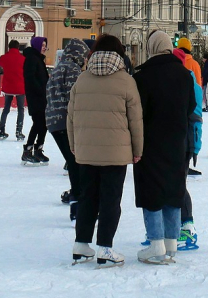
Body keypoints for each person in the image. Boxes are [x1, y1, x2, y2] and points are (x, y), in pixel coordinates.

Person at [67, 35, 143, 267]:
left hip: (86, 151)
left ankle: (81, 244)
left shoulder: (82, 79)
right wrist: (137, 149)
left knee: (87, 197)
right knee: (111, 200)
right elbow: (135, 119)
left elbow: (71, 117)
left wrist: (75, 146)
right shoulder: (126, 81)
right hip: (116, 152)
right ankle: (105, 249)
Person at [133, 30, 194, 265]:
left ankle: (155, 245)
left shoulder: (143, 77)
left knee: (152, 192)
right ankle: (171, 244)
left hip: (150, 143)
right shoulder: (184, 75)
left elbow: (138, 113)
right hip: (177, 142)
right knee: (173, 191)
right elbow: (190, 107)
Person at [48, 39, 90, 220]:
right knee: (76, 163)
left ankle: (76, 200)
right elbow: (76, 97)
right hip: (66, 122)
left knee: (73, 162)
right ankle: (77, 204)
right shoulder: (72, 69)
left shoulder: (57, 68)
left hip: (53, 122)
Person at [171, 39, 205, 245]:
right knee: (175, 184)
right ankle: (176, 226)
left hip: (185, 138)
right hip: (186, 138)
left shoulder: (186, 82)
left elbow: (193, 115)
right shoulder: (189, 76)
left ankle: (188, 226)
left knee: (178, 185)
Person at [23, 37, 51, 165]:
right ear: (37, 45)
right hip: (36, 98)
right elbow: (30, 79)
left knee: (44, 124)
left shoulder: (39, 59)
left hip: (42, 97)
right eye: (43, 45)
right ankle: (27, 151)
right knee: (38, 123)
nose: (44, 47)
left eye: (45, 45)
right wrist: (41, 90)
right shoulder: (32, 59)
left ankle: (38, 149)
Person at [0, 40, 27, 141]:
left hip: (8, 87)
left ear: (9, 47)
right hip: (20, 88)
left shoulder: (4, 58)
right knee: (20, 109)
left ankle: (1, 130)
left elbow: (0, 62)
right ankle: (19, 131)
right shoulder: (23, 59)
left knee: (6, 109)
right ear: (18, 48)